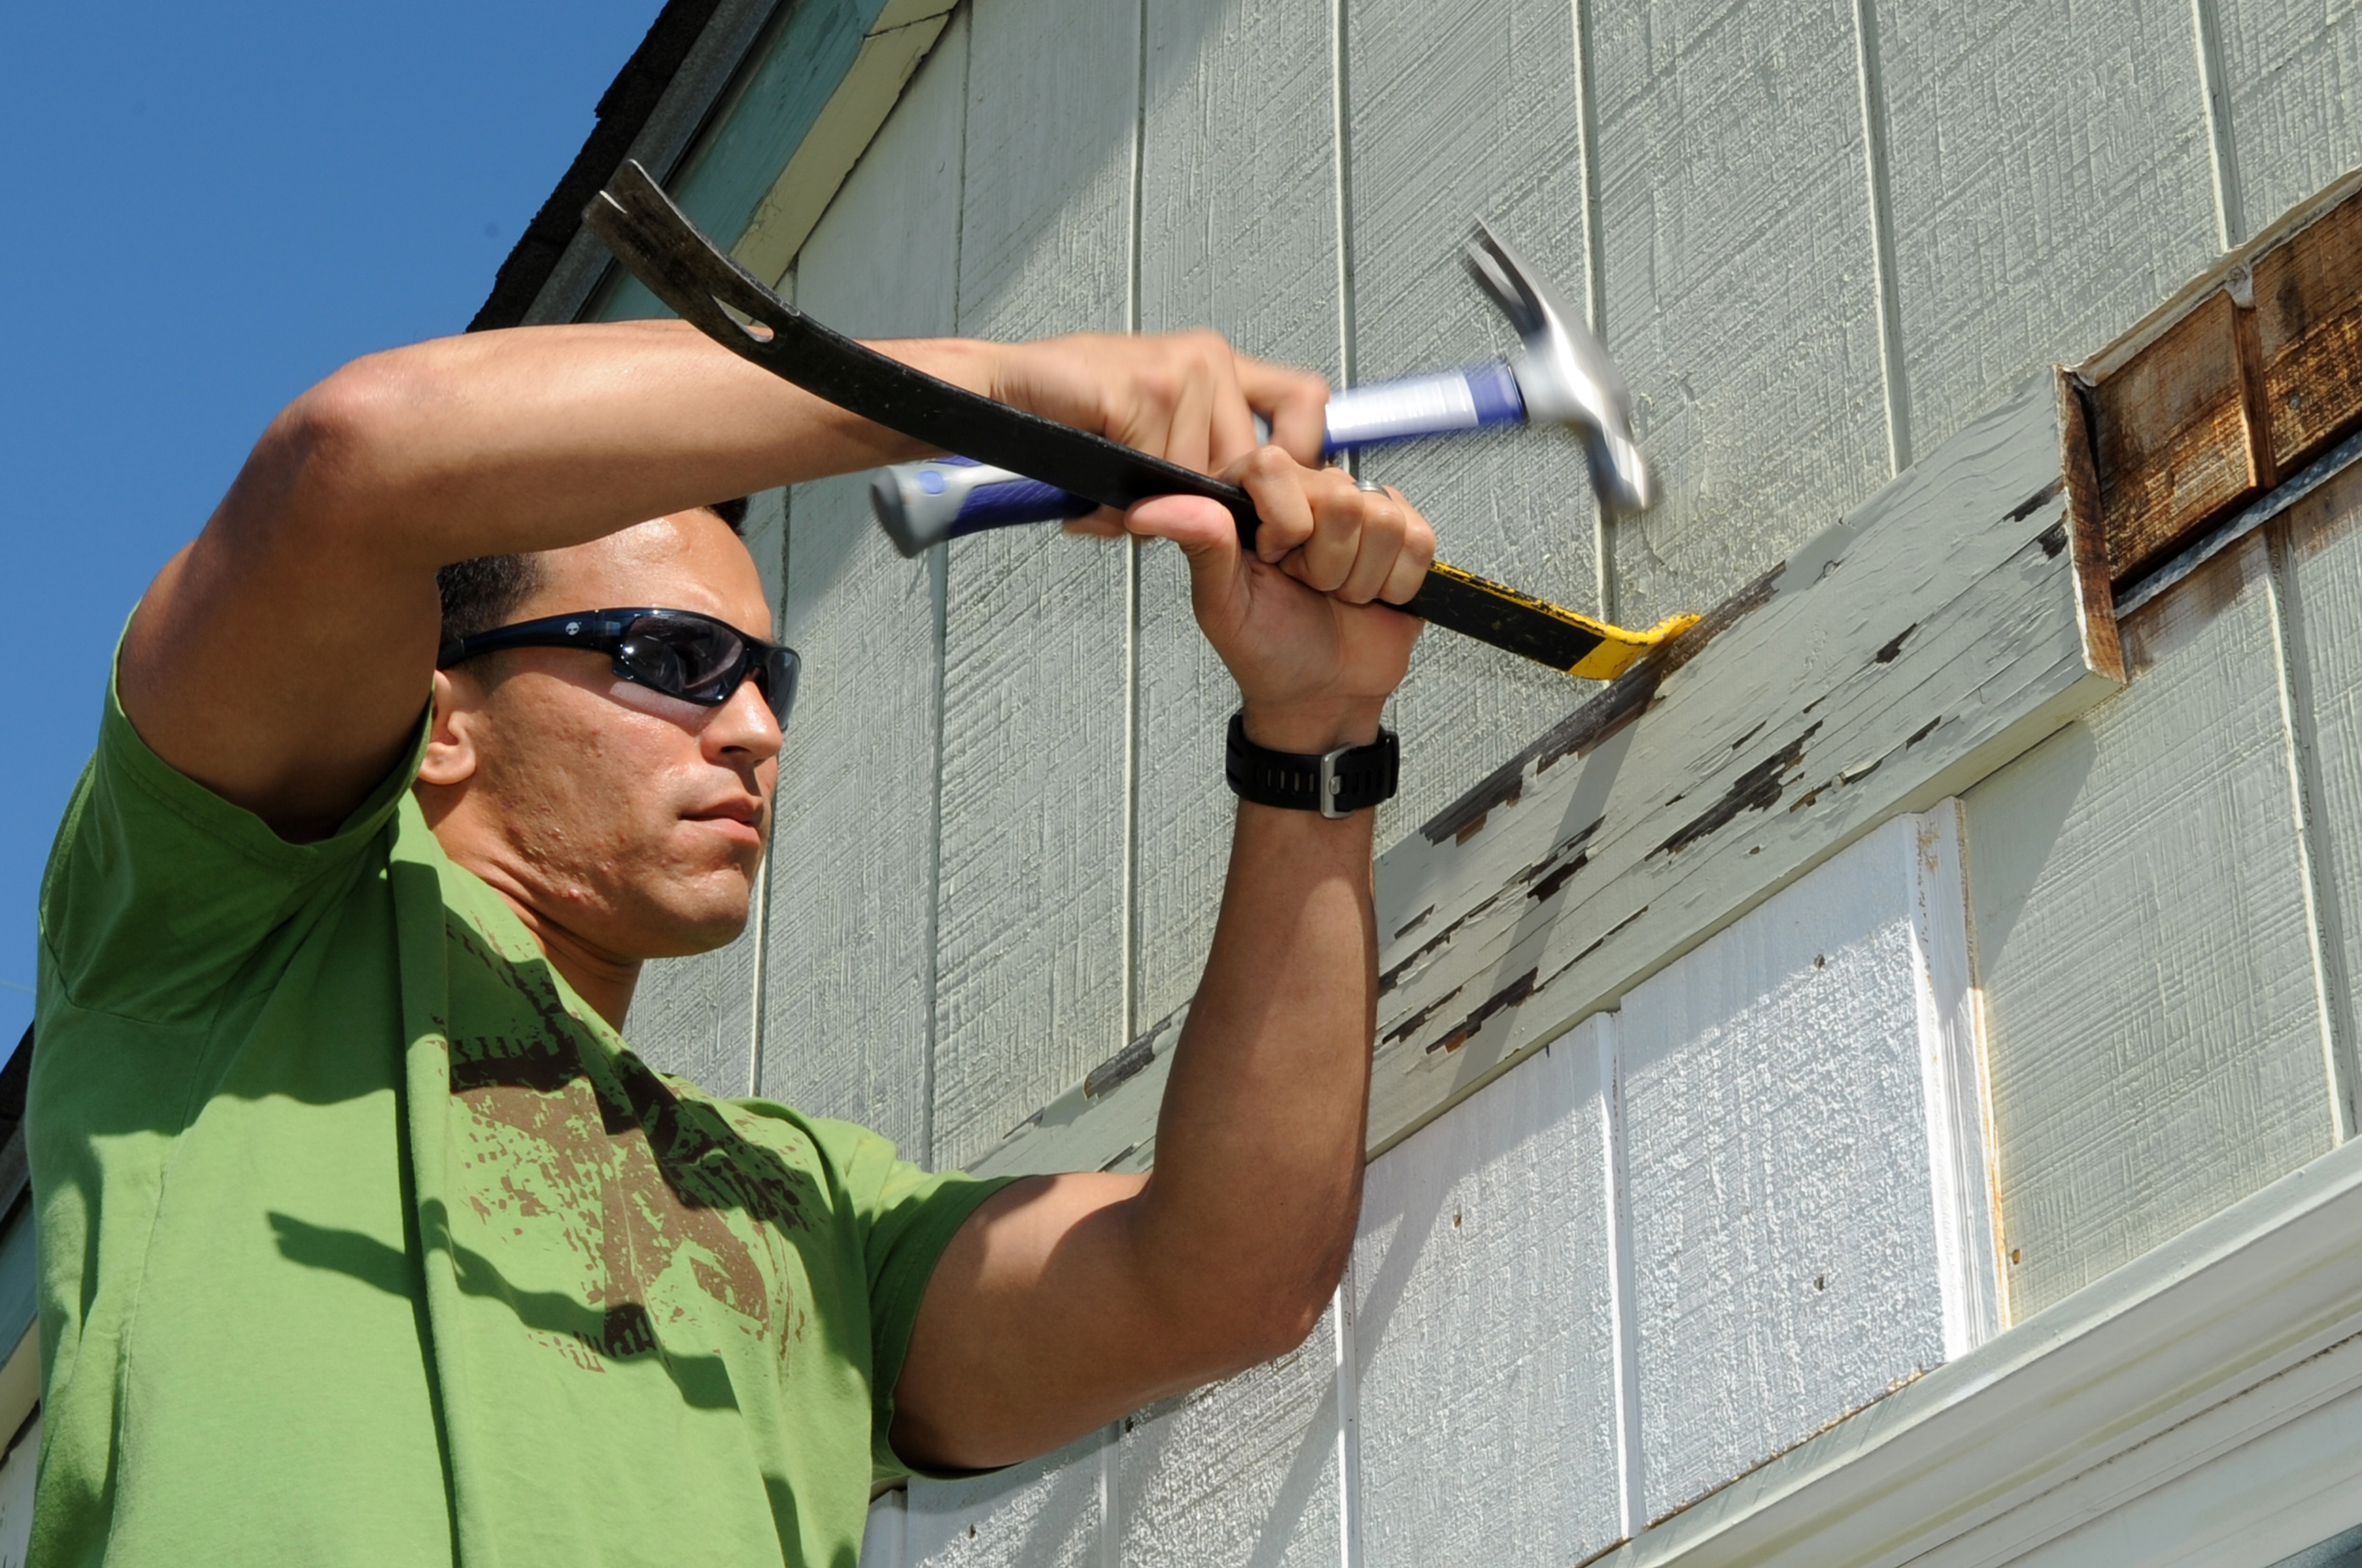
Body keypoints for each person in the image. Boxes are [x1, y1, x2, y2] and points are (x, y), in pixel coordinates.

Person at [31, 316, 1435, 1565]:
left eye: (768, 677)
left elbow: (1221, 1284)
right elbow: (353, 459)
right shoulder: (224, 930)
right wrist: (991, 388)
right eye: (674, 662)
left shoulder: (804, 1210)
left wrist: (1316, 740)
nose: (757, 731)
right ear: (439, 716)